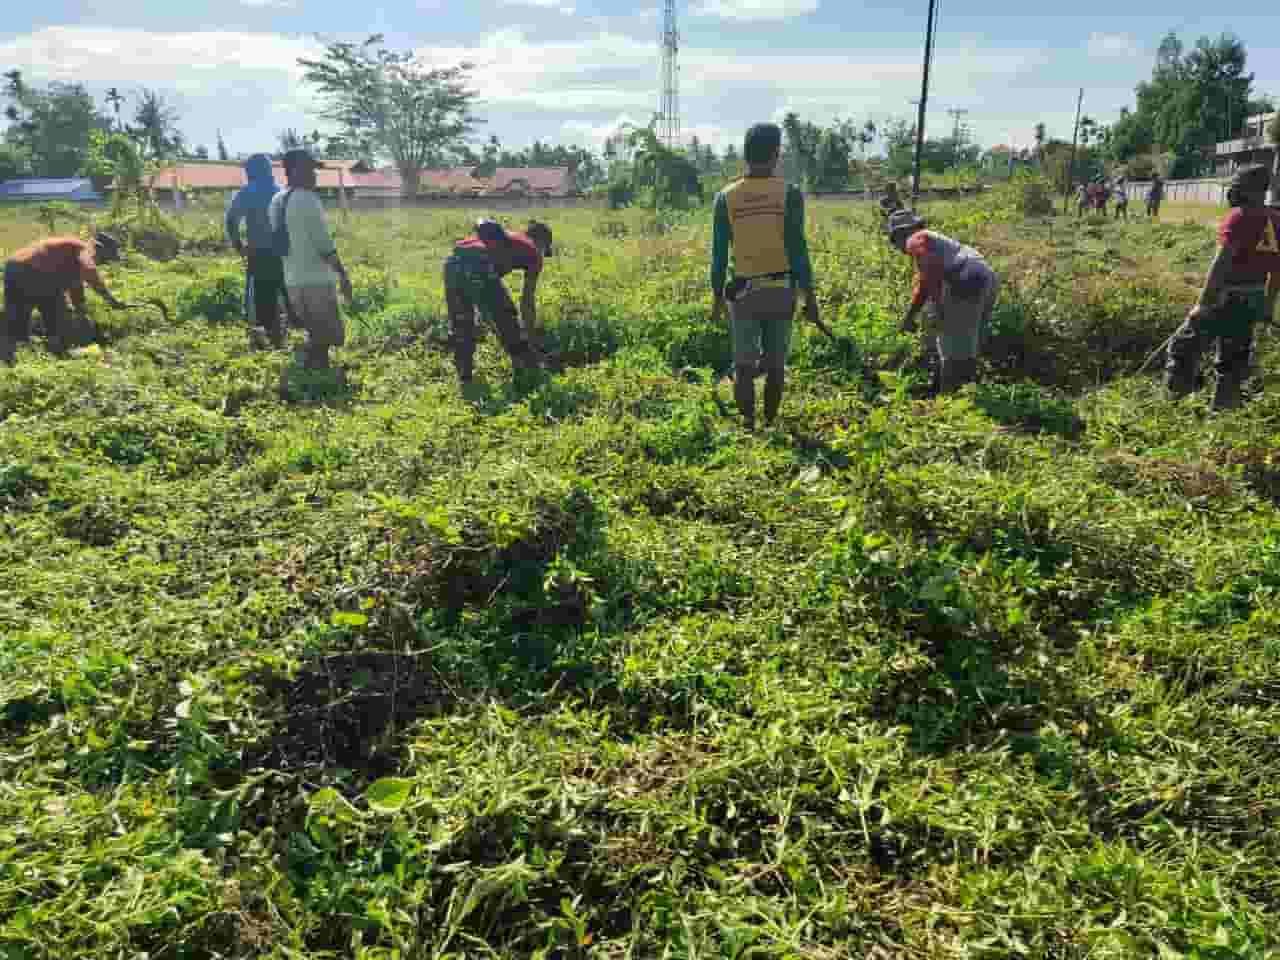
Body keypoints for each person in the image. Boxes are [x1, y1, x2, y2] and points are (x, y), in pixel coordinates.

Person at [710, 122, 819, 430]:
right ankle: (770, 423)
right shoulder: (789, 194)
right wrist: (809, 295)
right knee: (775, 365)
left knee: (743, 365)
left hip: (742, 293)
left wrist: (717, 297)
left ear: (746, 155)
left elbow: (718, 256)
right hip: (781, 290)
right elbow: (798, 249)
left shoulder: (726, 198)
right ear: (775, 154)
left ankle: (748, 425)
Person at [1165, 164, 1280, 410]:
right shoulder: (1276, 220)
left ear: (1248, 190)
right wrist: (1267, 305)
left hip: (1224, 297)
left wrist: (1202, 304)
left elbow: (1221, 264)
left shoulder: (1239, 216)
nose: (1233, 191)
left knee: (1183, 347)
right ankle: (1223, 412)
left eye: (1237, 186)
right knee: (1233, 360)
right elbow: (1277, 271)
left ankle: (1174, 405)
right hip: (1253, 298)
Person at [888, 208, 1000, 393]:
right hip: (985, 276)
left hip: (965, 277)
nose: (900, 250)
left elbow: (930, 276)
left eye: (895, 244)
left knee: (952, 345)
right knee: (966, 343)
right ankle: (964, 393)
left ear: (900, 234)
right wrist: (911, 316)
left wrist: (939, 310)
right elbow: (924, 285)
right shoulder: (938, 243)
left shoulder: (915, 239)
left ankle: (951, 400)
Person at [268, 149, 352, 370]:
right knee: (322, 340)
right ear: (294, 171)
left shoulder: (276, 201)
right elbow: (323, 245)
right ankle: (319, 384)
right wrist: (343, 275)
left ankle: (311, 376)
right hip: (316, 281)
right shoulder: (308, 200)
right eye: (309, 170)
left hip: (292, 281)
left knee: (313, 334)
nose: (314, 176)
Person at [443, 218, 552, 386]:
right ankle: (529, 370)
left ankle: (465, 377)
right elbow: (527, 300)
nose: (543, 254)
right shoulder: (533, 251)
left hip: (452, 263)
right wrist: (530, 335)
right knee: (505, 317)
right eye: (545, 250)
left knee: (461, 322)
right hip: (478, 262)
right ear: (542, 243)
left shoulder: (513, 240)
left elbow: (483, 290)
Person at [2, 233, 126, 364]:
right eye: (105, 258)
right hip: (34, 271)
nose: (103, 262)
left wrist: (81, 310)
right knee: (57, 316)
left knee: (17, 316)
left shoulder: (71, 253)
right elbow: (89, 271)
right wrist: (111, 300)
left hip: (15, 267)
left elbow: (76, 286)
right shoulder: (84, 249)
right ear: (99, 249)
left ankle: (12, 356)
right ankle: (57, 354)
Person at [226, 153, 286, 348]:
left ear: (250, 171)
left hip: (258, 253)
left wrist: (238, 245)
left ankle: (266, 337)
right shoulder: (281, 191)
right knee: (284, 293)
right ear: (269, 170)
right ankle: (286, 334)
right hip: (284, 253)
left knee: (261, 295)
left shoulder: (247, 192)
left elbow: (231, 220)